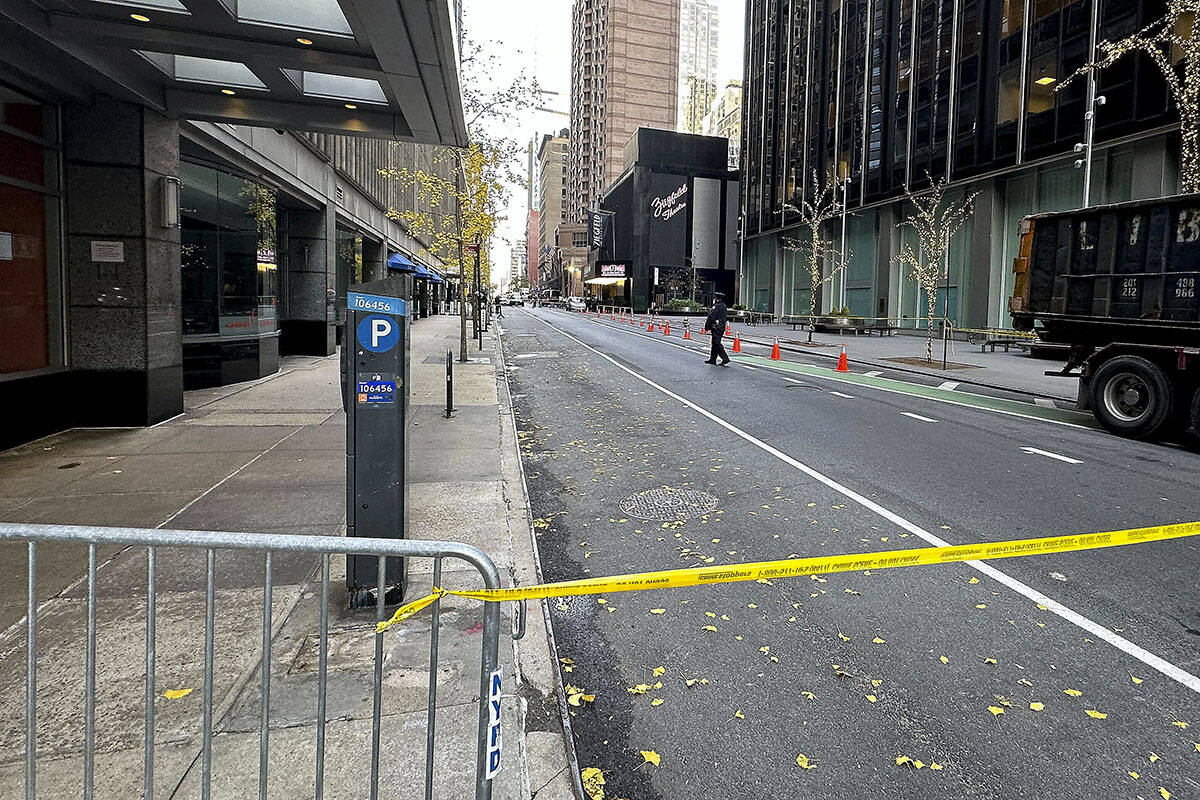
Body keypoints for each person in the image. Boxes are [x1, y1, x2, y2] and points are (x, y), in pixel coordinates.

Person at [703, 294, 730, 366]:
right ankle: (713, 359)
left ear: (717, 299)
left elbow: (711, 317)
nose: (713, 300)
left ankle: (725, 358)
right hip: (720, 326)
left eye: (714, 298)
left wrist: (707, 326)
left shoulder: (717, 306)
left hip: (716, 327)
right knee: (714, 343)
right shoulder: (723, 305)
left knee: (717, 343)